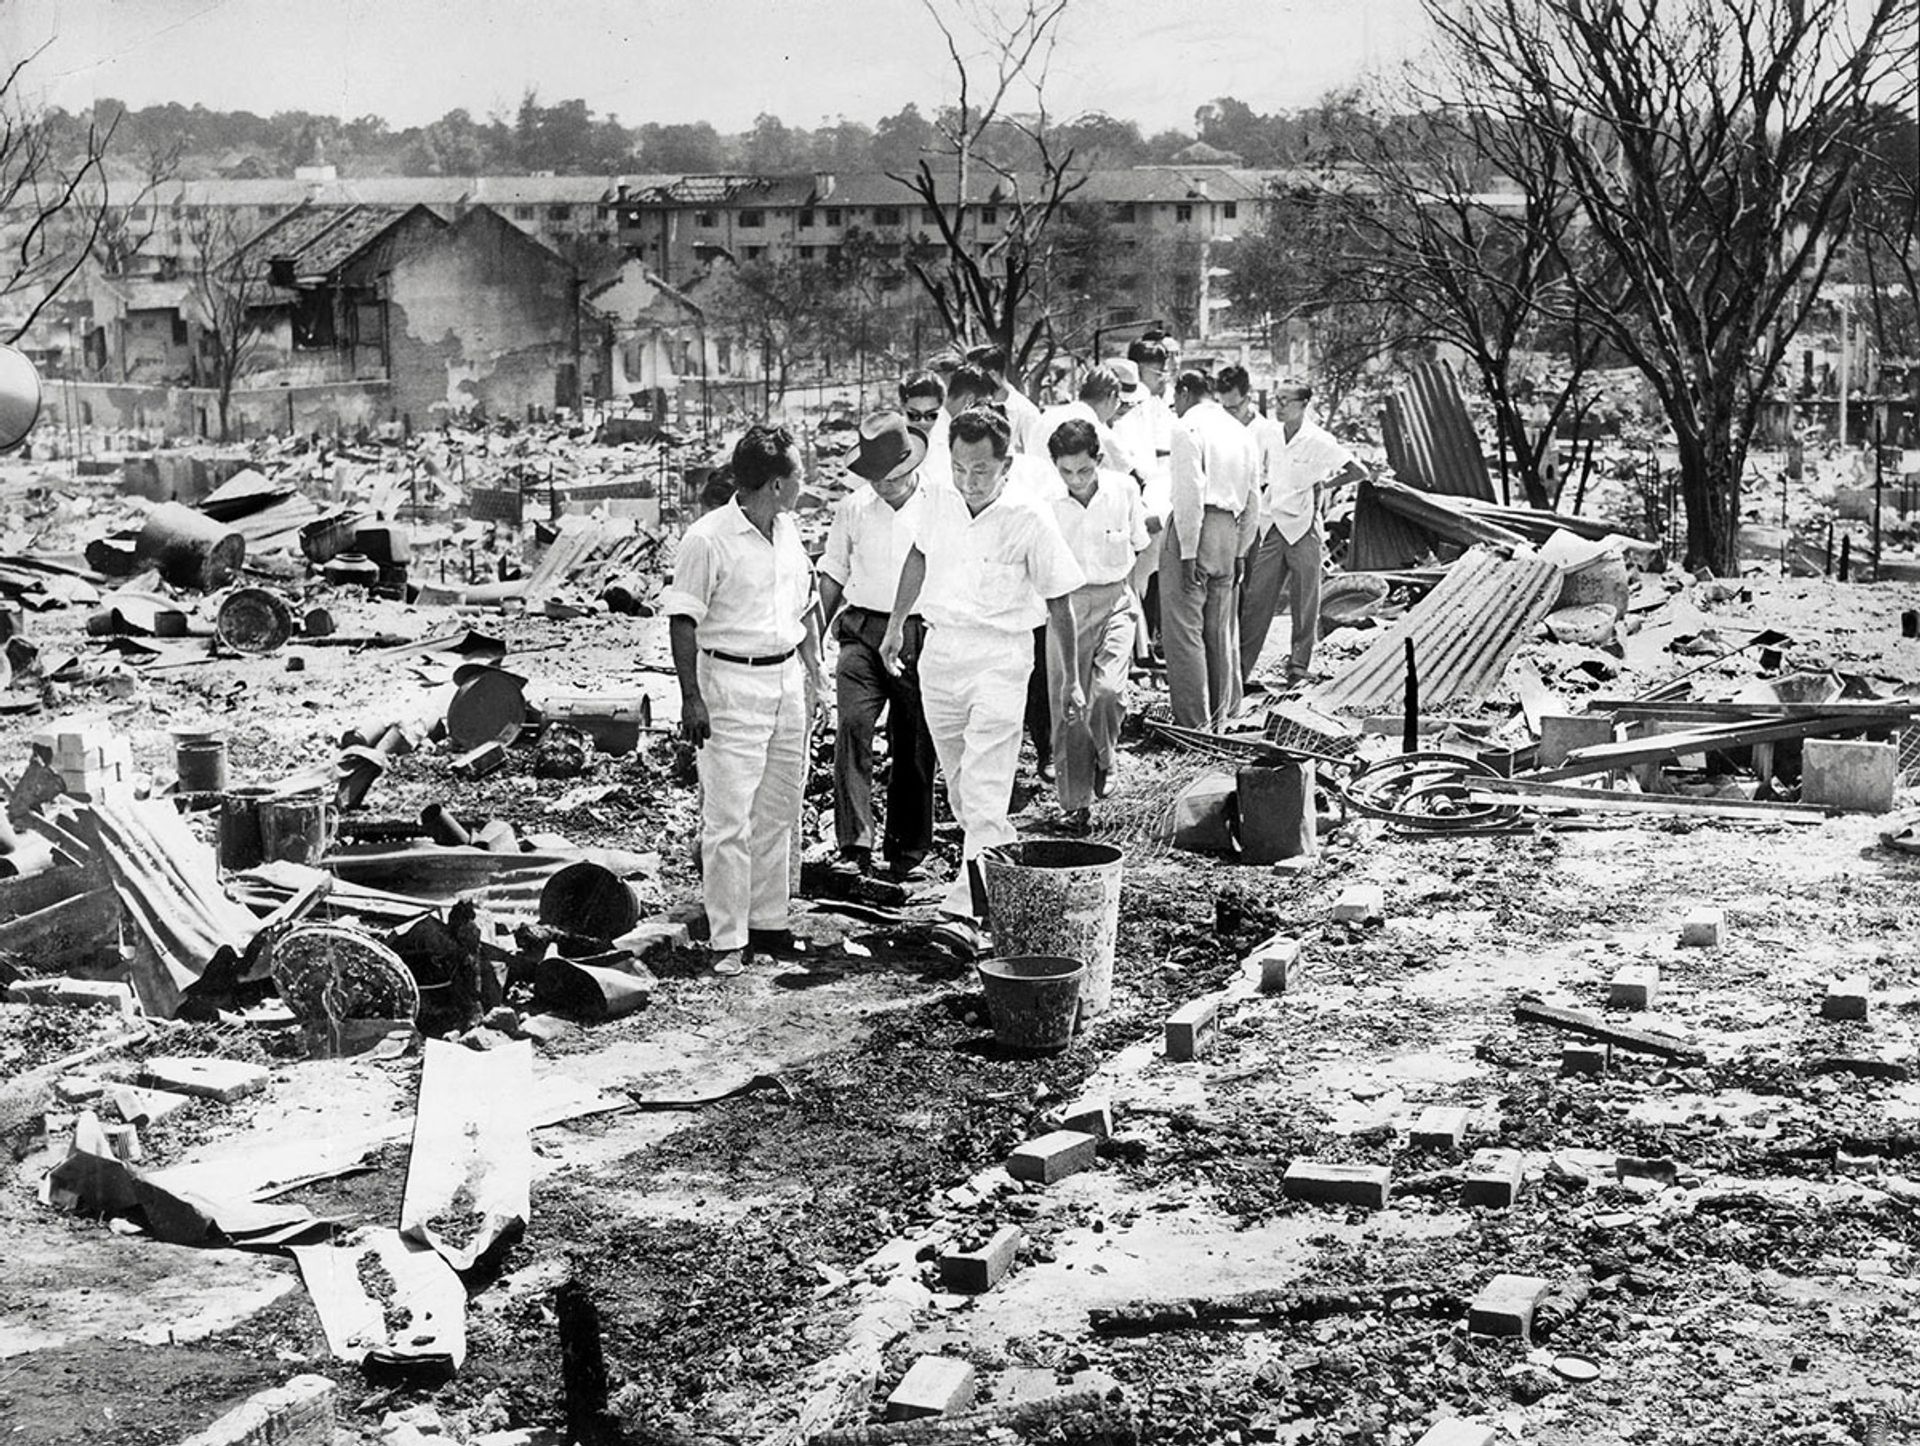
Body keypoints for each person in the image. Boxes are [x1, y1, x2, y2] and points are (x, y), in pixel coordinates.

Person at [881, 405, 1085, 953]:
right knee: (965, 792)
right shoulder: (939, 501)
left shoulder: (1030, 518)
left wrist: (1068, 681)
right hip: (941, 654)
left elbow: (1061, 603)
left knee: (987, 789)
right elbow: (918, 557)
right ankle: (1005, 878)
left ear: (1007, 465)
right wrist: (897, 624)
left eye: (981, 471)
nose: (968, 482)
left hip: (1001, 657)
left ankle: (966, 915)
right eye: (960, 469)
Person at [661, 424, 825, 976]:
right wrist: (692, 698)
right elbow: (683, 620)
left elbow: (804, 606)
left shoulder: (789, 529)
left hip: (784, 681)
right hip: (728, 684)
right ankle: (727, 937)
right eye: (799, 473)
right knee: (729, 817)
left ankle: (769, 921)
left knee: (779, 809)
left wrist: (814, 673)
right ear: (777, 483)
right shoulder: (708, 539)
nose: (805, 482)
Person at [817, 411, 937, 882]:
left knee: (912, 741)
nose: (885, 486)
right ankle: (855, 844)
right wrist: (812, 642)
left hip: (917, 632)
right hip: (862, 629)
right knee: (852, 727)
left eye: (894, 477)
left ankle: (907, 849)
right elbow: (833, 573)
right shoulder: (852, 508)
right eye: (876, 479)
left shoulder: (937, 504)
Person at [1041, 418, 1150, 832]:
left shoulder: (1123, 490)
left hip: (1116, 600)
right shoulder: (1047, 503)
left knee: (1106, 692)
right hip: (1065, 606)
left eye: (1084, 470)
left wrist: (1129, 597)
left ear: (1099, 461)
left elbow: (1139, 544)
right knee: (1069, 708)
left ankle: (1107, 758)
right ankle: (1074, 806)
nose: (1076, 479)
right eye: (1067, 471)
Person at [1228, 373, 1366, 688]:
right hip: (1274, 524)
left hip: (1305, 527)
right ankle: (1240, 671)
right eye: (1277, 400)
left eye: (1286, 401)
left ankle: (1298, 667)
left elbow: (1358, 470)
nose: (1280, 406)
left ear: (1304, 404)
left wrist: (1326, 483)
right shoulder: (1271, 434)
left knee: (1306, 601)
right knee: (1257, 600)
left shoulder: (1318, 440)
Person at [1160, 368, 1260, 729]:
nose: (1174, 405)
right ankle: (1224, 713)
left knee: (1184, 629)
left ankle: (1193, 722)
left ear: (1185, 392)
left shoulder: (1187, 427)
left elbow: (1189, 491)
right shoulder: (1240, 430)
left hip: (1197, 528)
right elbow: (1253, 497)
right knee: (1220, 628)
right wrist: (1242, 549)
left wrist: (1187, 550)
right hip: (1228, 531)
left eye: (1175, 398)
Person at [965, 342, 1045, 455]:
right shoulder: (975, 408)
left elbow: (1036, 460)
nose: (971, 382)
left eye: (975, 376)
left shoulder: (1026, 413)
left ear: (992, 374)